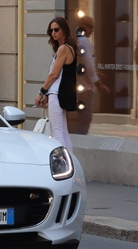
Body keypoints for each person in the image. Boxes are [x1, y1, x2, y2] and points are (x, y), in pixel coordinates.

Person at [35, 17, 78, 152]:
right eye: (51, 30)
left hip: (57, 94)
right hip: (59, 94)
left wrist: (41, 92)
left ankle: (66, 167)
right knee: (63, 132)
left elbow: (54, 74)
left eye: (56, 29)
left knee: (58, 133)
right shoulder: (68, 48)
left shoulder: (64, 49)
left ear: (64, 30)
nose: (53, 32)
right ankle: (72, 165)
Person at [67, 16, 108, 134]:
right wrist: (98, 83)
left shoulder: (75, 40)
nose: (92, 31)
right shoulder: (83, 40)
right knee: (84, 118)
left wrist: (95, 73)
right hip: (85, 87)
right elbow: (88, 64)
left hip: (78, 84)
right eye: (90, 27)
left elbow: (82, 64)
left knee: (78, 119)